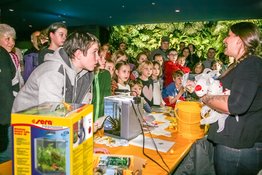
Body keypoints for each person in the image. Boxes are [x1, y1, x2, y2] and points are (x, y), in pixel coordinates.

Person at [201, 22, 262, 175]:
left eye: (228, 35)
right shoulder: (240, 65)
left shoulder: (251, 64)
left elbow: (235, 105)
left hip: (237, 148)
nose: (224, 40)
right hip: (235, 145)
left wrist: (204, 97)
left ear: (240, 39)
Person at [12, 31, 100, 113]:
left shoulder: (85, 74)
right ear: (78, 54)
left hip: (50, 122)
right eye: (94, 52)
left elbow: (80, 109)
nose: (98, 58)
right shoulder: (52, 72)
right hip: (26, 124)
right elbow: (51, 114)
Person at [0, 23, 17, 163]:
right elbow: (5, 89)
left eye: (13, 39)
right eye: (7, 38)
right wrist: (7, 119)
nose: (11, 42)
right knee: (7, 157)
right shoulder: (2, 54)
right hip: (4, 118)